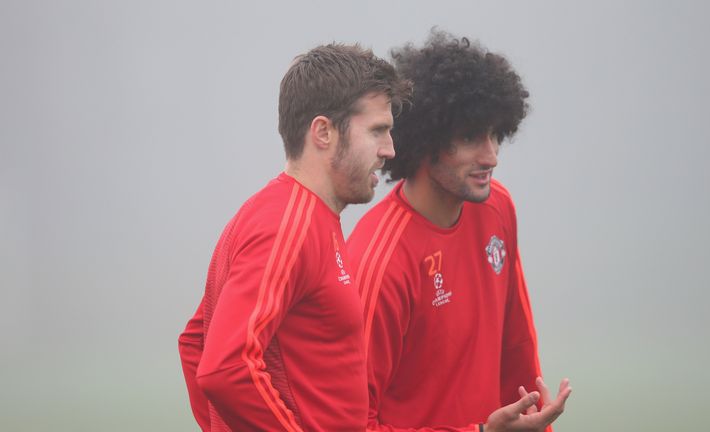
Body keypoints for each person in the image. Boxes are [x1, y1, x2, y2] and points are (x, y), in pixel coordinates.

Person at [346, 31, 571, 432]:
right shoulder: (379, 259)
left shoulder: (498, 207)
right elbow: (353, 423)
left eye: (495, 134)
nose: (492, 157)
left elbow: (516, 351)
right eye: (470, 137)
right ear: (426, 139)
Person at [178, 44, 410, 431]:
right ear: (323, 132)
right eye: (377, 131)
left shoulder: (298, 215)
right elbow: (225, 366)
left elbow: (195, 344)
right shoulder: (288, 226)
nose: (390, 149)